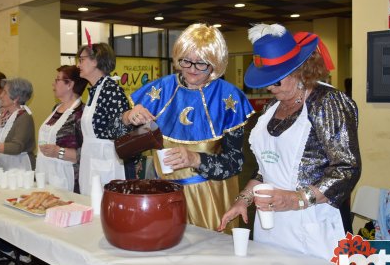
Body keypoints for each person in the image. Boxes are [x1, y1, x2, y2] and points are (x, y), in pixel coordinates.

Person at [219, 24, 361, 259]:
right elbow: (267, 168)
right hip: (272, 225)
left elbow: (347, 168)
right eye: (267, 81)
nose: (270, 88)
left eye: (276, 81)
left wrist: (297, 199)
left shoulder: (328, 103)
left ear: (299, 71)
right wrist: (243, 199)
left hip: (315, 226)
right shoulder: (270, 108)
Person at [124, 23, 255, 230]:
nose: (192, 70)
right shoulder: (160, 90)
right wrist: (127, 116)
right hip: (164, 197)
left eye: (201, 63)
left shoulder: (228, 98)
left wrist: (196, 159)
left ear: (215, 63)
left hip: (210, 200)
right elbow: (115, 133)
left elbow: (235, 163)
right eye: (186, 61)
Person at [77, 43, 131, 195]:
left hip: (107, 161)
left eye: (81, 60)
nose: (78, 64)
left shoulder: (111, 90)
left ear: (95, 61)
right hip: (90, 160)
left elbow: (122, 131)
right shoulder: (94, 91)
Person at [36, 65, 87, 193]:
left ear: (69, 84)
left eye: (57, 79)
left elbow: (86, 154)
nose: (53, 83)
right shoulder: (56, 108)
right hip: (46, 173)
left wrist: (58, 152)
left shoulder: (81, 114)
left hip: (67, 179)